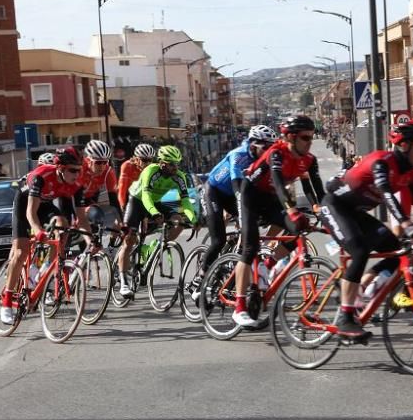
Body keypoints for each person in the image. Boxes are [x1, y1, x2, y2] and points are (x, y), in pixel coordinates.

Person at [320, 120, 413, 338]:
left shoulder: (412, 173)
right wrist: (406, 224)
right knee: (359, 251)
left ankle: (355, 289)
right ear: (404, 145)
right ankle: (345, 317)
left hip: (356, 212)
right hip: (335, 206)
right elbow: (387, 195)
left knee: (397, 251)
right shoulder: (382, 162)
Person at [232, 115, 324, 328]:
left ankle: (268, 265)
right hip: (250, 196)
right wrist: (291, 209)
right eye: (305, 137)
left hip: (271, 199)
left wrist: (324, 211)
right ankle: (239, 308)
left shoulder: (308, 159)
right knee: (250, 247)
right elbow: (277, 182)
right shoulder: (276, 153)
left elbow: (317, 190)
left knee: (298, 229)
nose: (310, 141)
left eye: (312, 136)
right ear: (291, 137)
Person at [0, 147, 92, 323]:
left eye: (79, 170)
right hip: (25, 203)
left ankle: (47, 266)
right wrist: (38, 230)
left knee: (62, 223)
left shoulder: (76, 185)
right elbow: (30, 213)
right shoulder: (41, 176)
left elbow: (81, 218)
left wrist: (90, 241)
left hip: (46, 204)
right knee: (20, 253)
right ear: (60, 168)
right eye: (73, 170)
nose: (77, 174)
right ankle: (7, 302)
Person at [192, 125, 278, 300]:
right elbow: (237, 186)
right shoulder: (238, 155)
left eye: (272, 146)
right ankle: (200, 278)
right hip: (214, 192)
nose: (270, 151)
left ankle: (232, 260)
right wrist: (244, 211)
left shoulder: (262, 160)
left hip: (231, 195)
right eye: (267, 147)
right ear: (254, 144)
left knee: (249, 228)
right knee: (218, 240)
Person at [116, 145, 197, 299]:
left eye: (177, 164)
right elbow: (146, 197)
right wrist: (154, 213)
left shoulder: (179, 176)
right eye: (172, 164)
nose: (175, 168)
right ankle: (123, 282)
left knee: (178, 221)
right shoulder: (150, 171)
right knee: (129, 240)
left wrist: (193, 219)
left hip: (157, 202)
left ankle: (161, 245)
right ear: (162, 163)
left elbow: (185, 201)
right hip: (138, 201)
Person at [75, 139, 121, 227]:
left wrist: (121, 221)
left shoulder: (108, 171)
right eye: (98, 162)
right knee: (66, 224)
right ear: (88, 160)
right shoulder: (79, 169)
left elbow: (113, 199)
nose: (102, 166)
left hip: (89, 199)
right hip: (72, 199)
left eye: (105, 162)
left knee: (97, 218)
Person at [118, 144, 155, 210]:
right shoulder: (127, 166)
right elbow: (122, 188)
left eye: (150, 160)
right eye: (144, 160)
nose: (148, 163)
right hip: (128, 194)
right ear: (136, 158)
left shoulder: (152, 167)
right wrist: (122, 205)